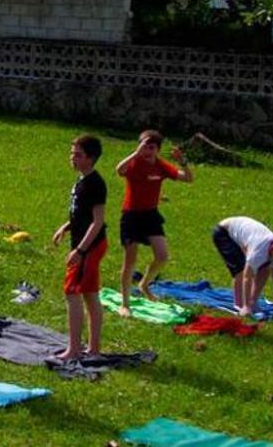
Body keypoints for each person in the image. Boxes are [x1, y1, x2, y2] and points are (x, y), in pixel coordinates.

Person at [115, 130, 193, 315]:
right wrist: (136, 153)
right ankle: (125, 303)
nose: (147, 151)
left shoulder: (161, 166)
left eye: (152, 147)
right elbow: (119, 170)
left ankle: (144, 284)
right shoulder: (134, 163)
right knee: (130, 260)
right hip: (131, 216)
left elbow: (188, 178)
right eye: (144, 147)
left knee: (162, 255)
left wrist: (183, 162)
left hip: (150, 215)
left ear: (158, 149)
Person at [50, 135, 108, 360]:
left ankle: (74, 349)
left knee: (71, 292)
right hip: (86, 245)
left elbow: (98, 221)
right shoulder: (82, 180)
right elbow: (81, 213)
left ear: (91, 158)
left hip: (90, 247)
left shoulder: (95, 183)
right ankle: (93, 348)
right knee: (90, 294)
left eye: (78, 155)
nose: (72, 158)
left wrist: (80, 251)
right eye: (71, 153)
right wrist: (66, 227)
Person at [212, 217, 273, 317]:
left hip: (244, 234)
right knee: (240, 270)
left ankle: (253, 302)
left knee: (266, 269)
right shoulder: (259, 250)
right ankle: (239, 305)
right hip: (223, 233)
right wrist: (246, 307)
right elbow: (247, 277)